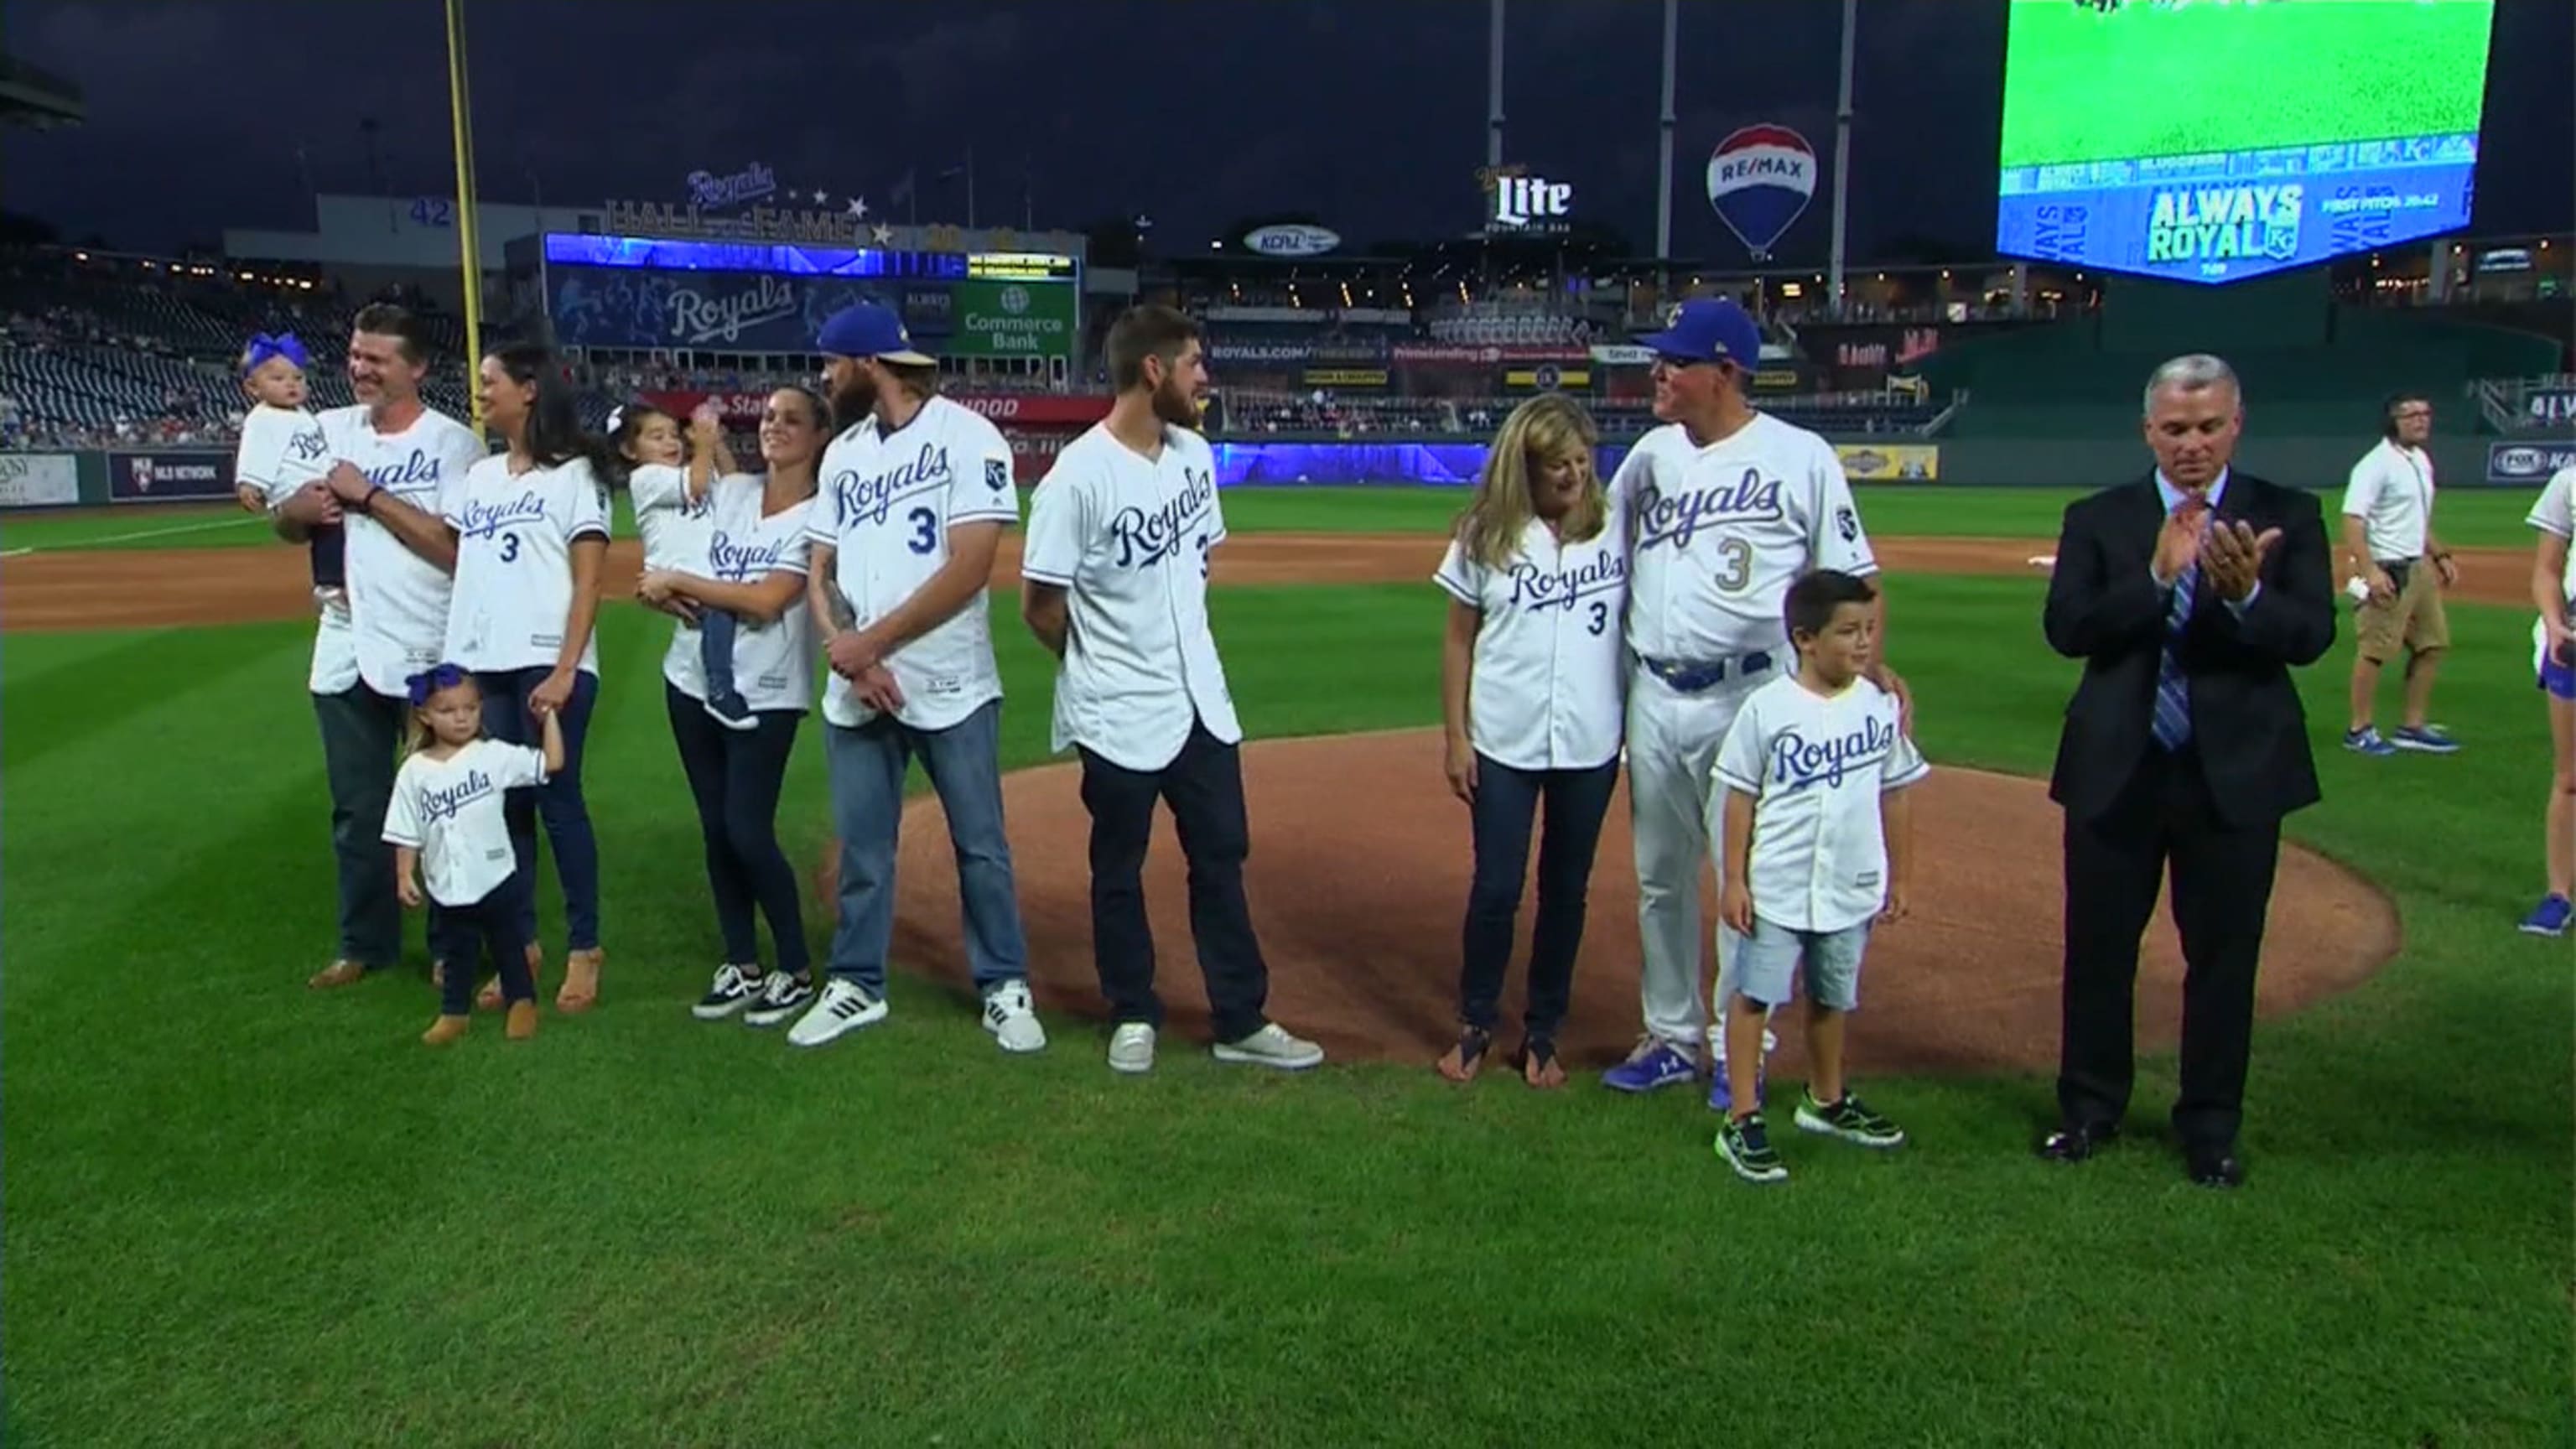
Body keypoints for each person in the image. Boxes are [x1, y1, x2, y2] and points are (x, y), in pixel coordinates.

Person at [1598, 296, 1906, 1110]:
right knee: (1661, 877)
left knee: (1746, 878)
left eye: (1675, 361)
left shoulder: (1799, 456)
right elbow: (1600, 546)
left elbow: (1851, 578)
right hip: (1655, 692)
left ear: (1726, 370)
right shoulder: (1650, 456)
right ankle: (1669, 1033)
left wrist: (1874, 663)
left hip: (1753, 693)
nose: (1657, 373)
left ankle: (1742, 1048)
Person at [2038, 353, 2334, 1189]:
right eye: (2175, 429)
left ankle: (2210, 1127)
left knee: (2225, 956)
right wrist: (2158, 577)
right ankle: (2089, 1111)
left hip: (2233, 774)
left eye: (2208, 427)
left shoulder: (2289, 514)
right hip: (2116, 770)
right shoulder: (2101, 518)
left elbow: (2312, 636)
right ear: (2149, 432)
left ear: (2236, 424)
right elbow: (2068, 629)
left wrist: (2244, 599)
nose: (2192, 444)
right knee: (2097, 951)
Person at [1019, 304, 1325, 1074]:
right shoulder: (1076, 479)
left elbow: (1197, 565)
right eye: (1193, 363)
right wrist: (1098, 664)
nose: (1204, 378)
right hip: (1117, 706)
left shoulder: (1193, 455)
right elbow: (1040, 604)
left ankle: (1240, 1017)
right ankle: (1132, 1010)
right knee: (1118, 863)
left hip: (1201, 701)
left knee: (1220, 856)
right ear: (1152, 371)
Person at [795, 302, 1045, 1053]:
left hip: (950, 681)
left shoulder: (968, 437)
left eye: (833, 363)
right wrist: (853, 651)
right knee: (864, 849)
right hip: (858, 686)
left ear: (869, 364)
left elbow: (972, 566)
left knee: (981, 846)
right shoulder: (842, 454)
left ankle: (1004, 984)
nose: (826, 377)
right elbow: (821, 569)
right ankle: (856, 984)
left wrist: (870, 643)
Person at [277, 303, 489, 990]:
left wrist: (368, 495)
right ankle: (363, 944)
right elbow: (288, 521)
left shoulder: (455, 444)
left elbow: (456, 550)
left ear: (419, 368)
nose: (360, 369)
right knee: (358, 808)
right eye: (356, 355)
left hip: (433, 639)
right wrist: (296, 515)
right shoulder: (327, 429)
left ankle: (454, 946)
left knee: (448, 804)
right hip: (343, 640)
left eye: (377, 359)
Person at [1430, 392, 1626, 1088]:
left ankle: (1544, 1033)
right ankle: (1476, 1025)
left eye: (1581, 462)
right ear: (1525, 467)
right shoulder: (1487, 533)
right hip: (1504, 738)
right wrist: (1457, 736)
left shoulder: (1614, 529)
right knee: (1496, 887)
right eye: (1557, 467)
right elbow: (1459, 640)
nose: (1574, 478)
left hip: (1591, 739)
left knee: (1566, 890)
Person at [1708, 569, 1926, 1184]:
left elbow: (1898, 793)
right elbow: (1739, 798)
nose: (1863, 645)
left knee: (1833, 997)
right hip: (1778, 884)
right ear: (1804, 639)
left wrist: (1901, 879)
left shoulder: (1879, 707)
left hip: (1849, 883)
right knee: (1756, 998)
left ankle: (1826, 1100)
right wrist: (1734, 880)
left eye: (1869, 631)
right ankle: (1743, 1119)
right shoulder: (1768, 709)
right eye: (1848, 632)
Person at [633, 387, 828, 1021]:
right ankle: (743, 963)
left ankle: (795, 967)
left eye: (792, 419)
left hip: (766, 692)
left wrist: (679, 583)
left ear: (819, 436)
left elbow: (769, 600)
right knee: (717, 829)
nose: (775, 426)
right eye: (769, 416)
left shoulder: (818, 515)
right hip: (689, 677)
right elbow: (683, 553)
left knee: (748, 828)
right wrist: (659, 587)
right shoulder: (736, 493)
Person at [439, 342, 613, 1015]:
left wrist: (567, 668)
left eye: (490, 381)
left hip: (548, 660)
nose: (481, 391)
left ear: (530, 389)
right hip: (485, 662)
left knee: (558, 805)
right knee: (503, 807)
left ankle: (584, 948)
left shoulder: (573, 474)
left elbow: (591, 577)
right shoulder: (479, 477)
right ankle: (521, 946)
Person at [386, 663, 564, 1046]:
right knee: (456, 952)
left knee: (509, 945)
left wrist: (548, 719)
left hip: (496, 876)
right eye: (449, 711)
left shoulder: (492, 755)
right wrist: (404, 874)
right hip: (447, 883)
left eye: (471, 707)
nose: (462, 717)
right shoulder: (413, 772)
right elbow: (405, 830)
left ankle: (522, 1002)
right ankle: (454, 1013)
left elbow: (551, 763)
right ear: (425, 716)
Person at [619, 399, 758, 730]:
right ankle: (720, 688)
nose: (671, 442)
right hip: (674, 578)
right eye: (657, 436)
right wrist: (705, 444)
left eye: (673, 435)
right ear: (630, 450)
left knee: (723, 607)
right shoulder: (646, 478)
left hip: (697, 578)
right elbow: (697, 485)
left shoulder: (692, 469)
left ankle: (720, 685)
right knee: (718, 608)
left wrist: (717, 443)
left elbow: (733, 482)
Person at [2338, 392, 2459, 756]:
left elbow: (2417, 520)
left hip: (2417, 568)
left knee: (2432, 644)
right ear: (2393, 421)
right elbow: (2353, 520)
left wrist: (2439, 555)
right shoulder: (2375, 464)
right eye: (2410, 415)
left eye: (2425, 413)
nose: (2421, 420)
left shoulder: (2420, 460)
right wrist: (2371, 571)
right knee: (2375, 650)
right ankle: (2359, 729)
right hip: (2387, 568)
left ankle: (2413, 726)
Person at [231, 331, 339, 610]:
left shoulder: (304, 415)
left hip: (316, 483)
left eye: (298, 378)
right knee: (328, 529)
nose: (290, 384)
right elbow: (253, 453)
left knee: (336, 525)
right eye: (278, 379)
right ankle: (328, 582)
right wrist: (248, 484)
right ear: (253, 388)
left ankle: (338, 579)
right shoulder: (262, 418)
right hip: (292, 490)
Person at [2521, 465, 2575, 937]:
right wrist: (2555, 623)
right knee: (2571, 777)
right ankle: (2559, 896)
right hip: (2572, 644)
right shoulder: (2569, 481)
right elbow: (2546, 570)